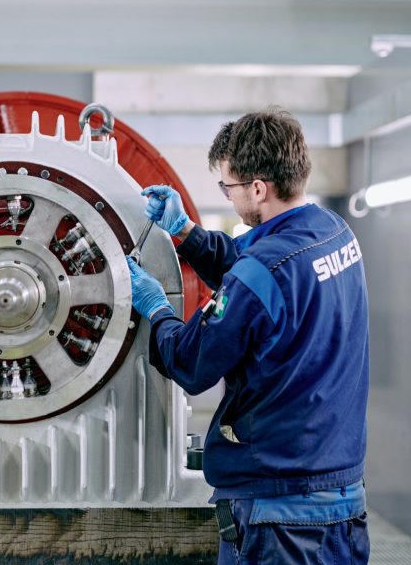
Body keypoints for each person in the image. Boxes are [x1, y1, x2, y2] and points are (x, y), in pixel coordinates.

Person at [127, 108, 369, 564]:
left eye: (228, 187)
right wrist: (186, 232)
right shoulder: (334, 234)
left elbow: (192, 363)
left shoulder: (262, 272)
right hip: (343, 496)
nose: (229, 196)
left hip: (279, 513)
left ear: (258, 187)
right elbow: (254, 272)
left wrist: (155, 305)